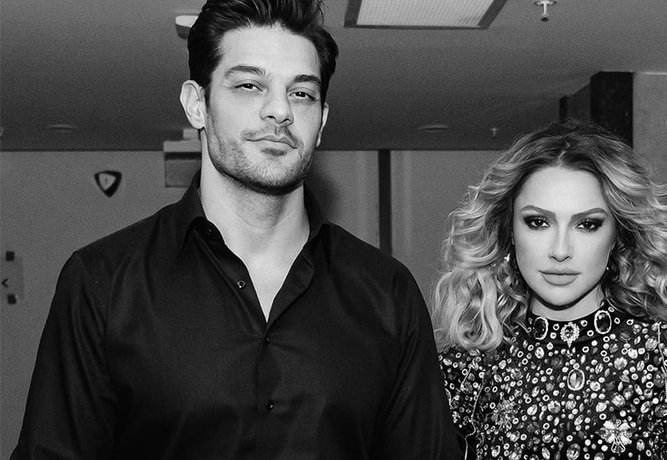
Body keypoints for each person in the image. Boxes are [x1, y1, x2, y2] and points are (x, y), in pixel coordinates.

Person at [12, 1, 460, 458]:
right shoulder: (104, 283)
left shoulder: (387, 293)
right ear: (197, 105)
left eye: (301, 93)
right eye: (249, 85)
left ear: (322, 121)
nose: (280, 111)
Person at [433, 120, 667, 460]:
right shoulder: (465, 372)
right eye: (538, 222)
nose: (560, 250)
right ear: (509, 231)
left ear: (618, 235)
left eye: (587, 224)